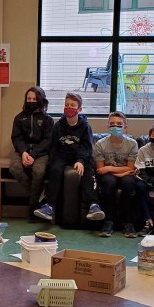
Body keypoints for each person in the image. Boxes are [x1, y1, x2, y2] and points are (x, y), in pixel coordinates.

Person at [34, 92, 104, 224]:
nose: (69, 107)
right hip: (63, 155)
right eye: (66, 105)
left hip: (81, 155)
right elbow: (54, 146)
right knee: (55, 169)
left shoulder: (85, 127)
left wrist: (80, 160)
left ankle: (93, 205)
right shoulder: (58, 126)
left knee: (88, 170)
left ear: (79, 109)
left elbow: (86, 147)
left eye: (72, 105)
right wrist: (53, 162)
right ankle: (48, 206)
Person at [9, 86, 54, 217]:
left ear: (40, 100)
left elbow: (47, 140)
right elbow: (16, 138)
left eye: (34, 99)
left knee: (38, 171)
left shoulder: (48, 119)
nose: (31, 101)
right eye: (29, 99)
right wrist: (23, 152)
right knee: (14, 168)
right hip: (22, 151)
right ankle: (40, 195)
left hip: (41, 152)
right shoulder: (19, 118)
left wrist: (33, 155)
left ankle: (32, 206)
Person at [92, 111, 138, 238]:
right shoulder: (100, 144)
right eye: (112, 124)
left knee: (129, 183)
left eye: (119, 124)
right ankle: (108, 222)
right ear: (108, 126)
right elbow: (100, 169)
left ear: (125, 127)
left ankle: (128, 223)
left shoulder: (132, 144)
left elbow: (131, 168)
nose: (115, 127)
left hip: (122, 174)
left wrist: (109, 168)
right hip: (110, 175)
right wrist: (121, 172)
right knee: (108, 182)